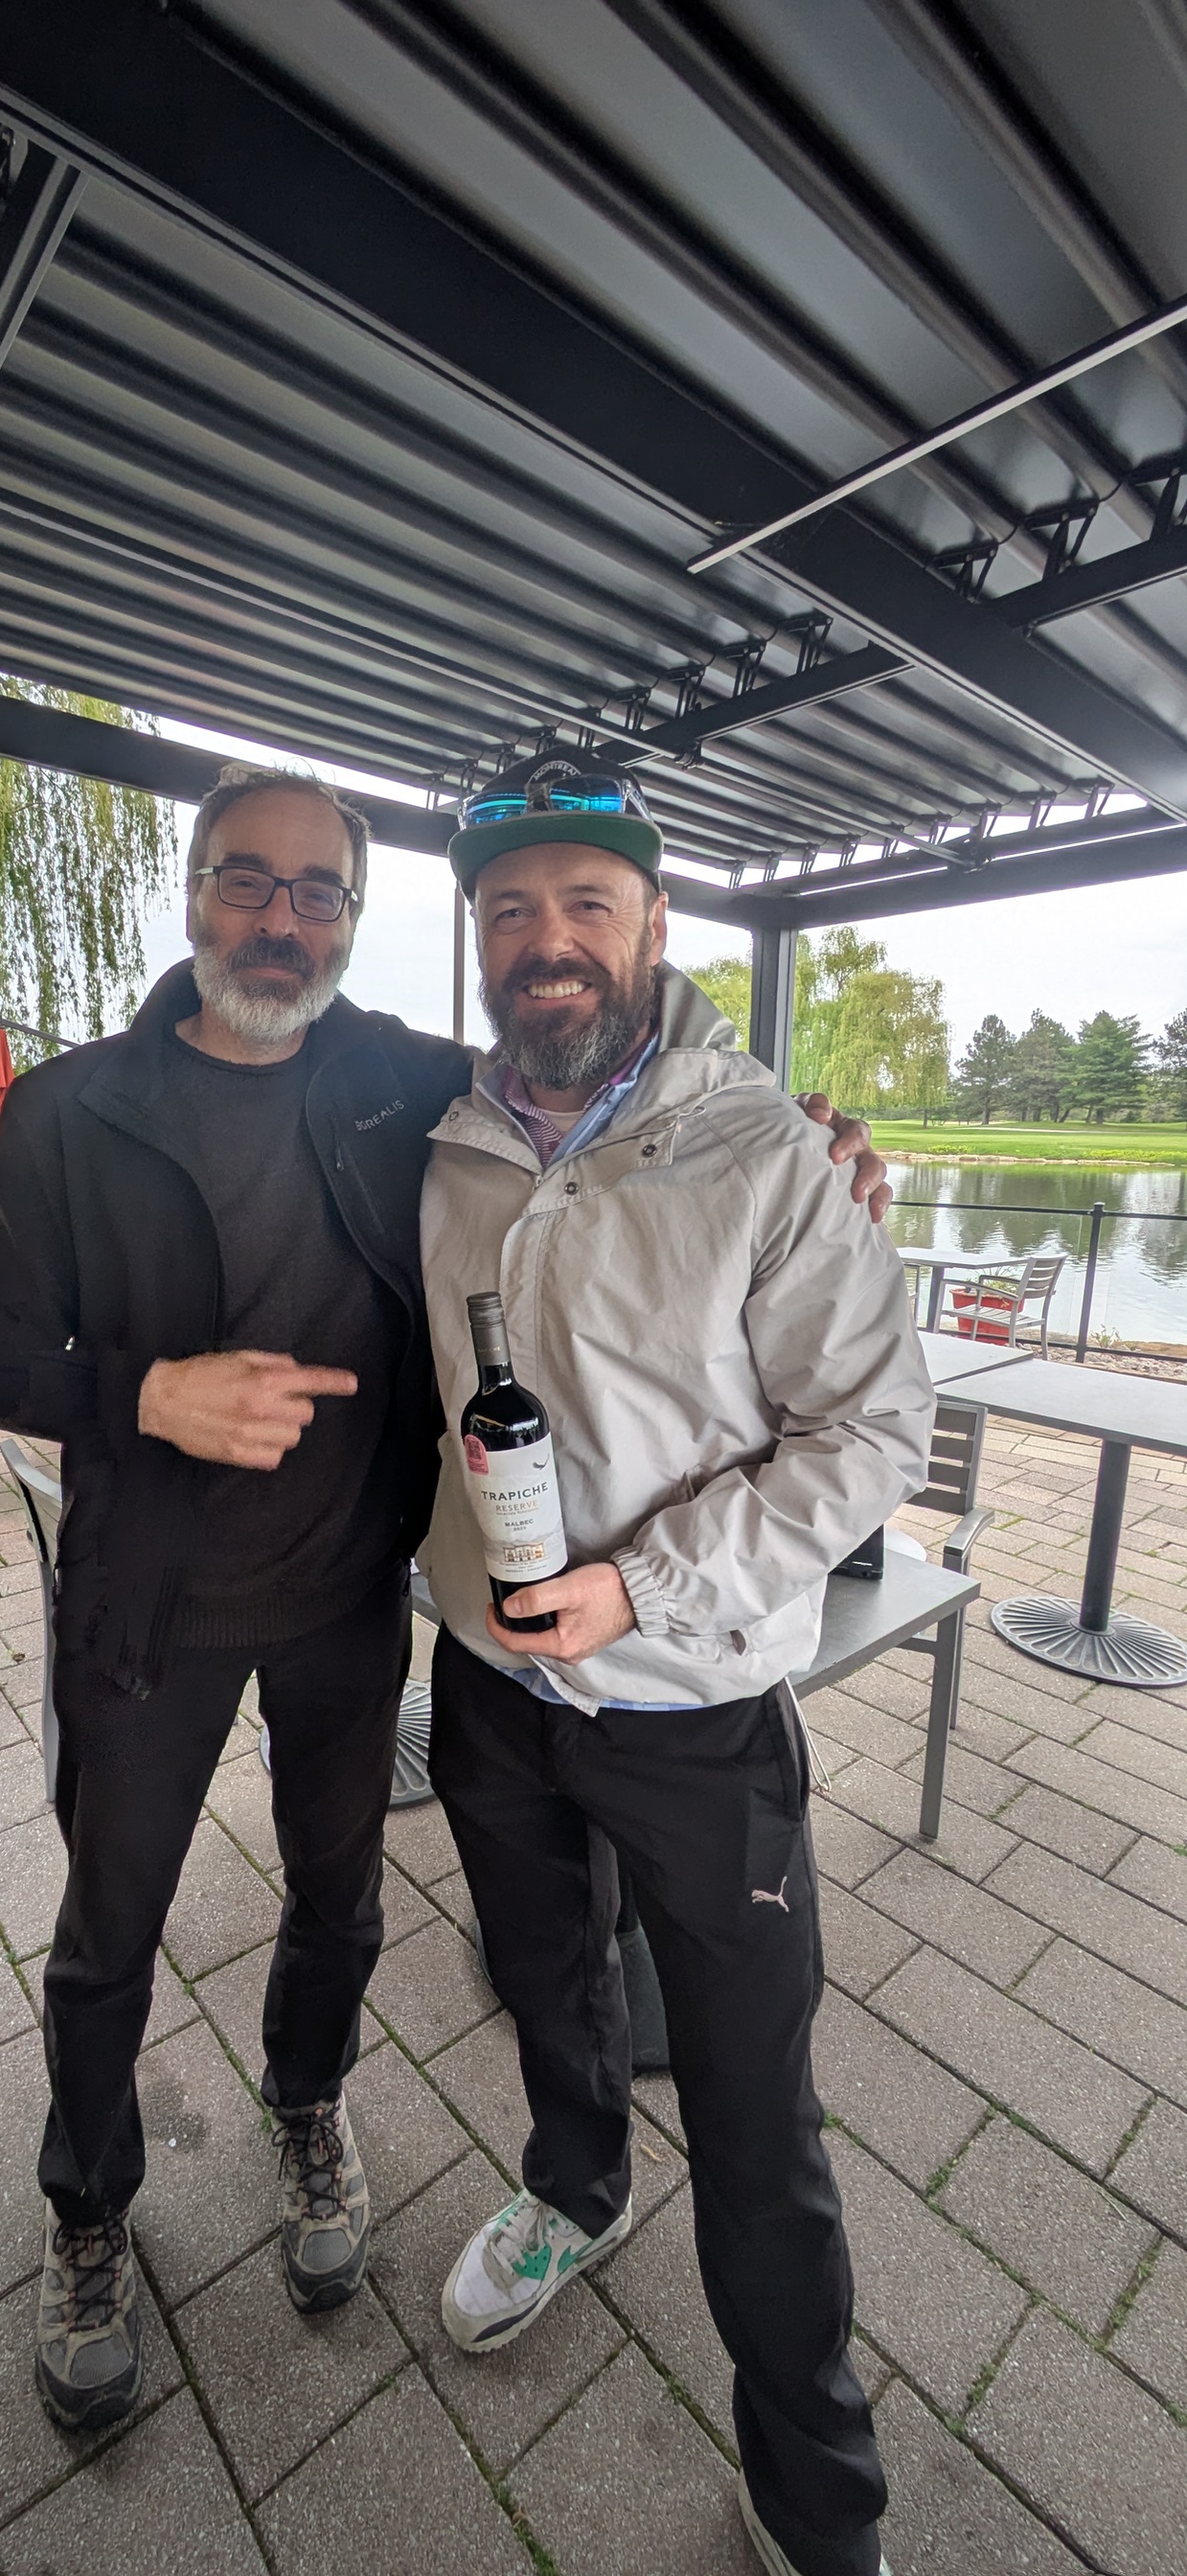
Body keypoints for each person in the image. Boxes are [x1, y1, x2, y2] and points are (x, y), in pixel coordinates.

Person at [0, 758, 890, 2437]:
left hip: (348, 1608)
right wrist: (146, 1394)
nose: (281, 920)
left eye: (319, 892)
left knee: (340, 1909)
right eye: (248, 880)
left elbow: (614, 1078)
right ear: (194, 893)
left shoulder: (405, 1087)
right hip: (145, 1614)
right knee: (109, 1935)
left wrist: (817, 1141)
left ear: (357, 920)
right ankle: (86, 2206)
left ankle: (308, 2109)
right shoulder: (73, 1110)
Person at [417, 755, 934, 2576]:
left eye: (586, 903)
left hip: (697, 1713)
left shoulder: (766, 1152)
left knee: (753, 2104)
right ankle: (575, 2190)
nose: (546, 940)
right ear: (477, 937)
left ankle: (818, 2493)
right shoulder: (444, 1142)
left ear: (655, 921)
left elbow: (874, 1429)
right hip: (489, 1690)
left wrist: (640, 1591)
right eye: (510, 910)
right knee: (543, 1982)